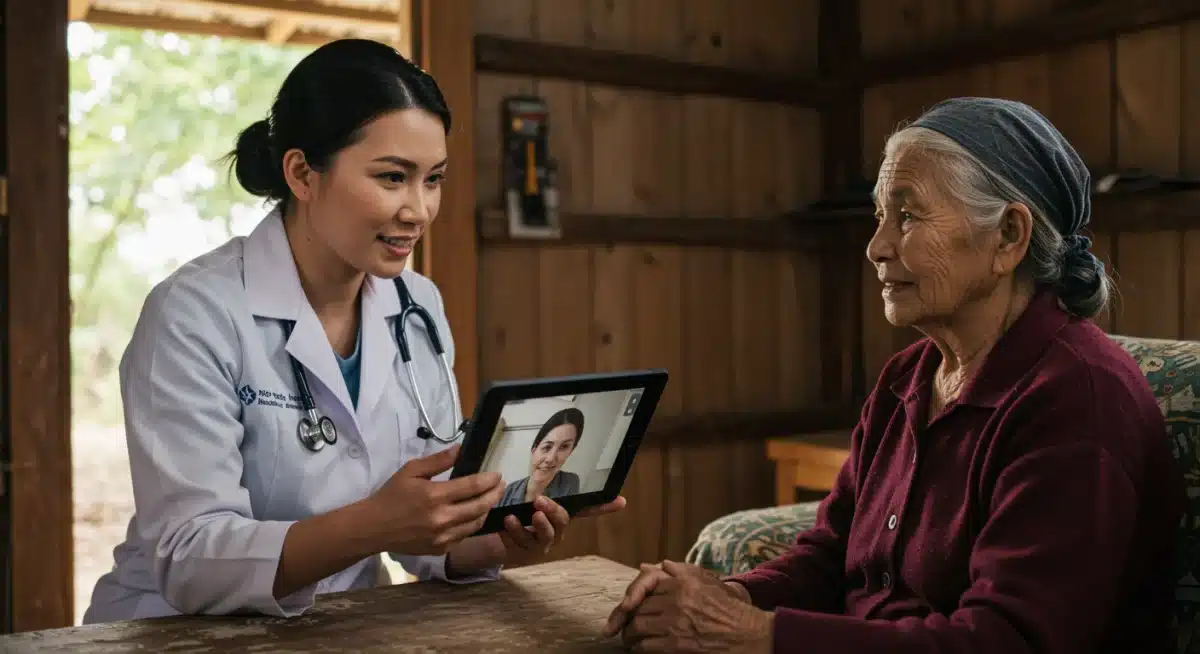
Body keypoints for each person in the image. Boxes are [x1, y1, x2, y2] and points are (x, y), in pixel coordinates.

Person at [603, 97, 1185, 653]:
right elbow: (834, 553)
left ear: (1008, 236)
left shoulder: (1076, 400)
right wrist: (724, 600)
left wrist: (757, 638)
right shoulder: (908, 377)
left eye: (906, 216)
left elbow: (1006, 644)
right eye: (881, 216)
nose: (876, 247)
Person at [82, 39, 624, 624]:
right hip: (171, 631)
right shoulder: (194, 314)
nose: (418, 209)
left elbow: (425, 536)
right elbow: (189, 559)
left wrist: (498, 536)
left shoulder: (417, 305)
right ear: (302, 174)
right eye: (393, 177)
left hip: (338, 625)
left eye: (433, 179)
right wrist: (373, 525)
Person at [498, 408, 584, 507]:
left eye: (564, 447)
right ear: (534, 449)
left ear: (570, 452)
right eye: (547, 447)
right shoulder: (506, 494)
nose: (550, 459)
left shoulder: (570, 482)